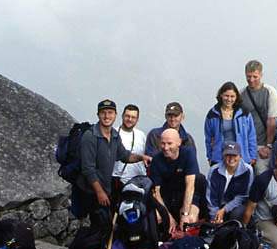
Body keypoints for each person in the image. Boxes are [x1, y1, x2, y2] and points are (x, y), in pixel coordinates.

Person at [75, 99, 151, 228]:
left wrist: (141, 157)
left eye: (110, 112)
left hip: (105, 189)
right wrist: (100, 192)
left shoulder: (115, 135)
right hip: (90, 191)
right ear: (98, 115)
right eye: (103, 112)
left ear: (115, 115)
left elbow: (125, 156)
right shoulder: (90, 136)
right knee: (94, 227)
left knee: (105, 226)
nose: (106, 116)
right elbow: (88, 168)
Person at [149, 129, 208, 234]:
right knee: (157, 217)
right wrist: (168, 217)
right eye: (163, 143)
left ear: (179, 142)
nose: (166, 147)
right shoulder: (156, 160)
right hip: (167, 197)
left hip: (185, 194)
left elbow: (190, 185)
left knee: (190, 219)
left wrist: (185, 214)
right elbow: (156, 192)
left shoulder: (188, 153)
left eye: (169, 143)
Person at [240, 60, 277, 174]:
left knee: (261, 175)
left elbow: (272, 120)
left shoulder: (269, 91)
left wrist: (268, 145)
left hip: (263, 144)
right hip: (246, 144)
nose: (251, 80)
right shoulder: (242, 93)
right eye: (249, 76)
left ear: (261, 75)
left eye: (255, 76)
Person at [204, 81, 257, 166]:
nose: (229, 99)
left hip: (241, 157)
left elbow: (251, 135)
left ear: (236, 97)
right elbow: (208, 138)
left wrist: (252, 156)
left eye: (232, 96)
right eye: (226, 96)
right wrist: (210, 157)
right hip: (219, 158)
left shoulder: (244, 113)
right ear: (221, 95)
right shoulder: (212, 114)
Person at [206, 142, 255, 223]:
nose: (231, 158)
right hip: (217, 206)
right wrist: (214, 216)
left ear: (240, 156)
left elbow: (244, 195)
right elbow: (211, 197)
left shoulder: (247, 170)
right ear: (223, 156)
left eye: (234, 155)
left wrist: (224, 209)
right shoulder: (214, 170)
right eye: (228, 155)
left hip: (235, 206)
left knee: (238, 212)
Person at [112, 104, 148, 188]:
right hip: (117, 180)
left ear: (137, 119)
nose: (130, 119)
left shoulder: (141, 135)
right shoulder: (113, 133)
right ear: (122, 116)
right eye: (127, 116)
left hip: (138, 180)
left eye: (133, 117)